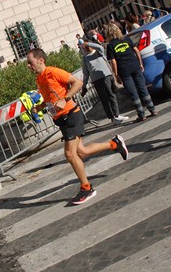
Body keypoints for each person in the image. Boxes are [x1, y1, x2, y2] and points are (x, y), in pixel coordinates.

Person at [26, 48, 128, 205]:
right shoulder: (39, 79)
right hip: (62, 119)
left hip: (71, 115)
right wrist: (40, 107)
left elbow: (77, 83)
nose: (28, 66)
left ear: (40, 60)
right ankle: (115, 143)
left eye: (30, 62)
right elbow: (51, 98)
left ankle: (86, 188)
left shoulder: (52, 72)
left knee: (70, 154)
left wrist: (65, 98)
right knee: (82, 151)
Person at [105, 22, 158, 122]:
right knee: (142, 88)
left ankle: (141, 115)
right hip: (134, 66)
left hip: (124, 70)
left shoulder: (110, 46)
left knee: (133, 92)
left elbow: (113, 61)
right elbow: (136, 50)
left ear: (108, 34)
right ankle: (152, 109)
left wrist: (115, 75)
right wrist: (140, 63)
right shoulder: (126, 39)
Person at [81, 40, 129, 125]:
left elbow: (100, 47)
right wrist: (84, 86)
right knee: (104, 99)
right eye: (85, 46)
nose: (86, 47)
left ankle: (116, 115)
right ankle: (112, 117)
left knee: (112, 95)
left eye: (87, 45)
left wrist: (88, 43)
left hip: (106, 76)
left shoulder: (99, 52)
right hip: (96, 80)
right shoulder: (85, 58)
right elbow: (86, 73)